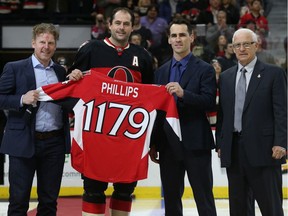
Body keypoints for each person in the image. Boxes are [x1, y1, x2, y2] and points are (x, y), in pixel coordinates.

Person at [67, 7, 154, 216]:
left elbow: (151, 99)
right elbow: (71, 86)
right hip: (96, 138)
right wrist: (74, 75)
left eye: (126, 24)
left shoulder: (143, 56)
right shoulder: (90, 49)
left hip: (129, 140)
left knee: (125, 191)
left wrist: (153, 140)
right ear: (109, 25)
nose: (121, 28)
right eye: (118, 23)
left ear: (132, 27)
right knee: (93, 191)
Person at [0, 23, 81, 215]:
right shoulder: (14, 68)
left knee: (49, 202)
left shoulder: (61, 72)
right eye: (42, 42)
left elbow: (70, 101)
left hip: (54, 144)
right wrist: (21, 99)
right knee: (18, 201)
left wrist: (77, 80)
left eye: (51, 42)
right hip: (23, 143)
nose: (46, 46)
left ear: (55, 45)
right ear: (33, 43)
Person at [149, 18, 217, 216]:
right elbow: (157, 112)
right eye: (174, 35)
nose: (178, 39)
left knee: (204, 198)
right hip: (168, 146)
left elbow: (209, 102)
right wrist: (154, 143)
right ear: (169, 40)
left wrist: (183, 94)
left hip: (196, 144)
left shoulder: (205, 69)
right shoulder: (161, 72)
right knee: (170, 199)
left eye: (182, 35)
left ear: (191, 37)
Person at [216, 28, 287, 216]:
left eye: (246, 44)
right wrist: (221, 142)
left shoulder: (274, 74)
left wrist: (281, 142)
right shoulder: (225, 77)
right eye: (237, 45)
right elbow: (223, 113)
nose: (242, 48)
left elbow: (282, 112)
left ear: (256, 46)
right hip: (234, 151)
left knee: (271, 207)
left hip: (265, 151)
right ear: (232, 48)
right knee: (238, 208)